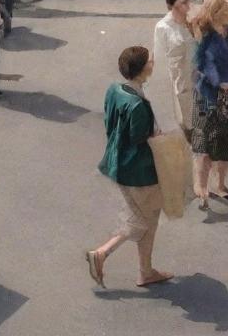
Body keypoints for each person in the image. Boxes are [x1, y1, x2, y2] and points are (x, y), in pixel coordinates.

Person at [86, 46, 172, 290]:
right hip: (138, 172)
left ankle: (146, 271)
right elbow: (141, 138)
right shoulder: (138, 106)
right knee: (143, 220)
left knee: (143, 218)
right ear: (142, 69)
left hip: (117, 163)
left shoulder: (115, 90)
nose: (152, 63)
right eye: (149, 62)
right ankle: (102, 253)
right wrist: (159, 137)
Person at [191, 0, 228, 209]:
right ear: (220, 12)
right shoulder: (205, 36)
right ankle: (201, 187)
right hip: (209, 98)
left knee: (225, 143)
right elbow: (202, 66)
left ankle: (220, 185)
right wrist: (220, 82)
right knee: (205, 144)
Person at [153, 0, 197, 139]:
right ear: (173, 5)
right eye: (183, 3)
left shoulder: (191, 22)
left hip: (195, 75)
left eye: (187, 1)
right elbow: (159, 59)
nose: (188, 6)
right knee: (183, 114)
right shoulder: (163, 27)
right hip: (178, 80)